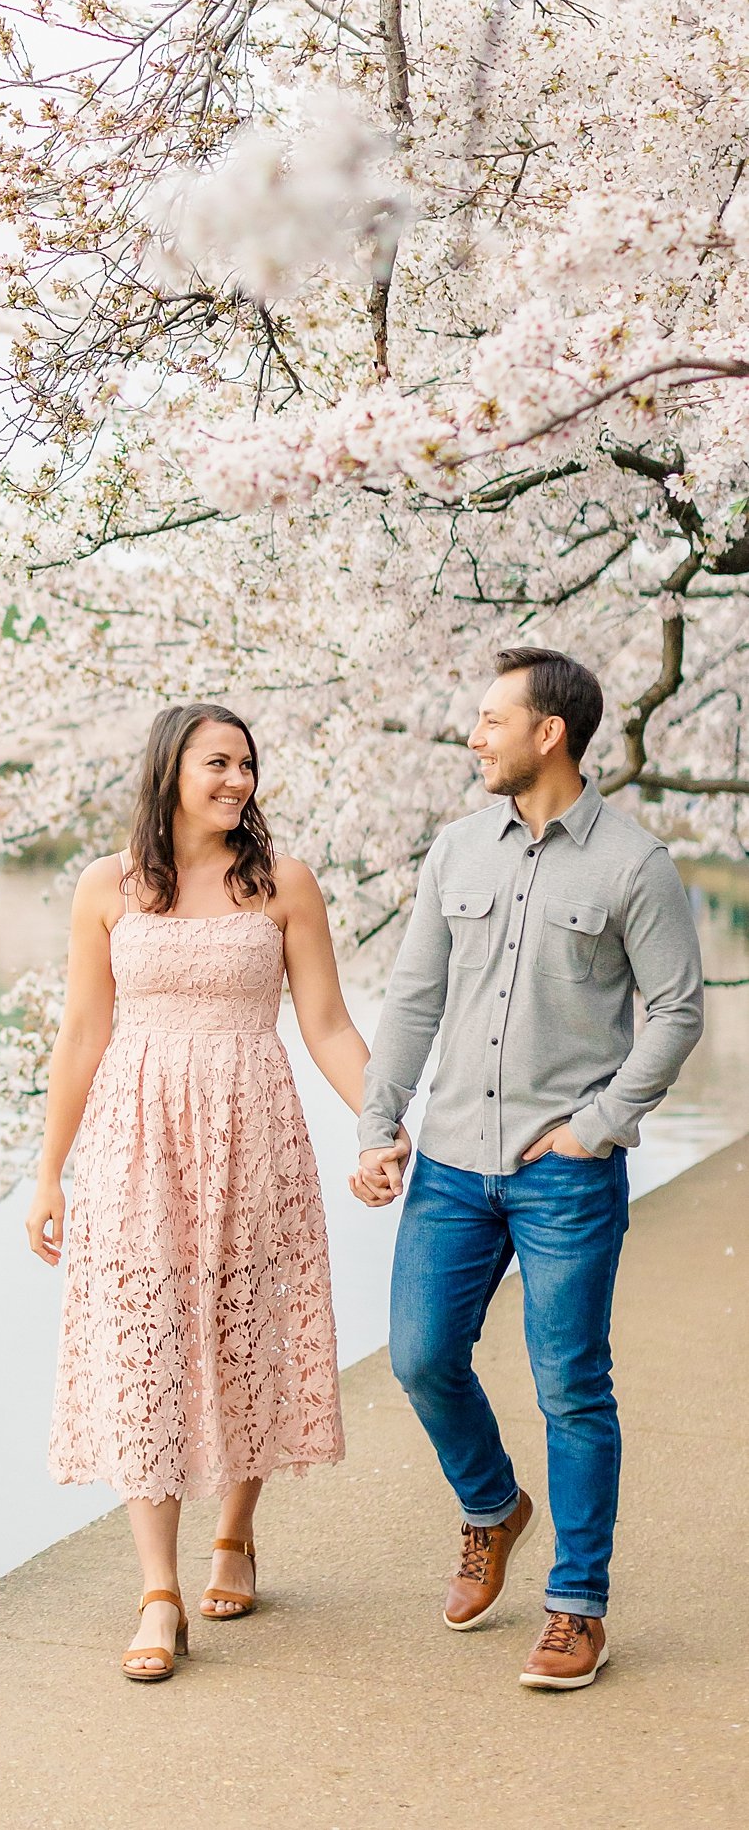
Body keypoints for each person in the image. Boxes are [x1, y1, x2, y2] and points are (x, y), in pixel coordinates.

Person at [354, 646, 704, 1691]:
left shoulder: (635, 865)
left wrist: (601, 1125)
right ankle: (492, 1507)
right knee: (419, 1356)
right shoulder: (457, 851)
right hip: (452, 1163)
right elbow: (415, 997)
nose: (474, 735)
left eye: (489, 719)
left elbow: (678, 1013)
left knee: (573, 1389)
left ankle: (576, 1605)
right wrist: (381, 1123)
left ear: (547, 733)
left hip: (565, 1173)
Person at [26, 702, 396, 1682]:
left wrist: (380, 1120)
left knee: (245, 1333)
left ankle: (235, 1529)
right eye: (218, 763)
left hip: (251, 1135)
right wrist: (47, 1171)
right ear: (171, 769)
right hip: (134, 1143)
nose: (237, 780)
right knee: (147, 1344)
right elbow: (81, 1036)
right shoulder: (107, 887)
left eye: (246, 764)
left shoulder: (283, 885)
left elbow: (325, 1023)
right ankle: (158, 1594)